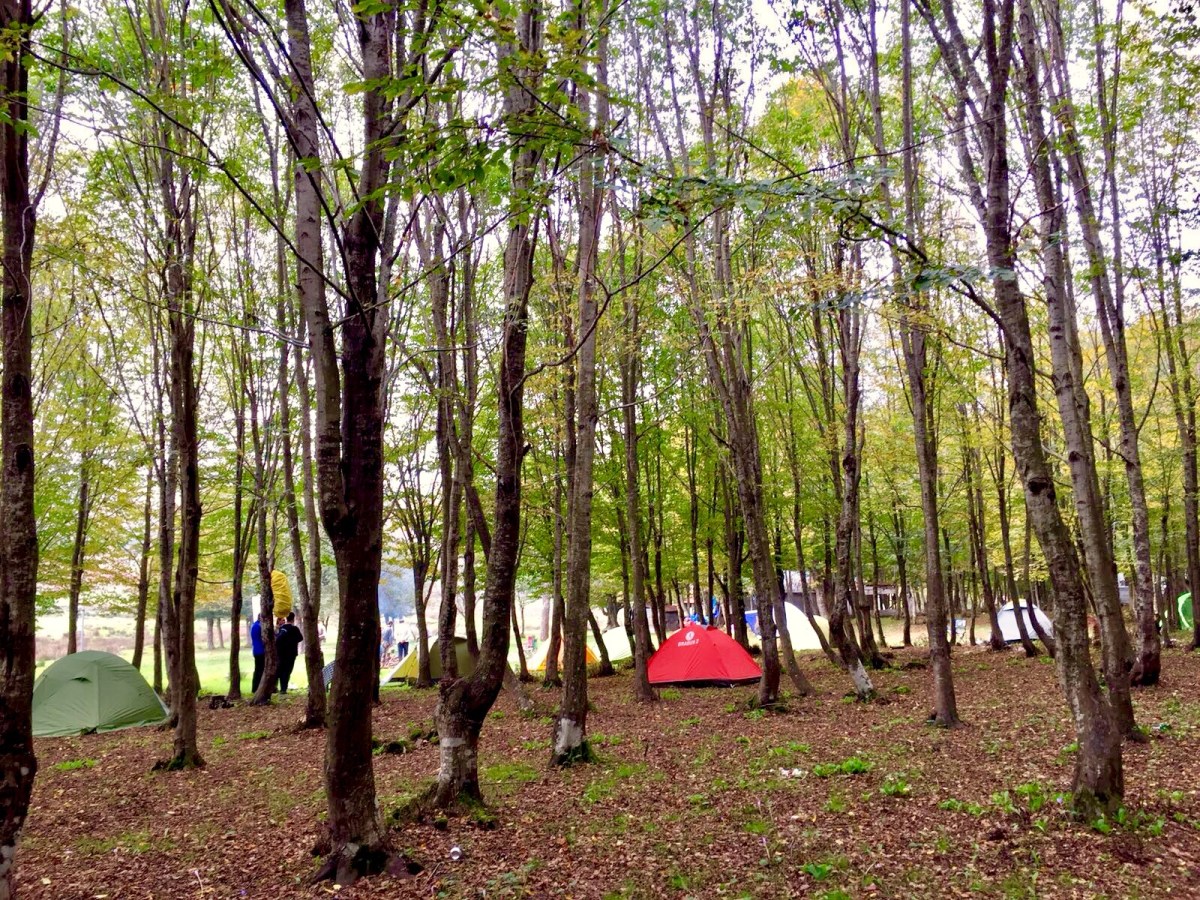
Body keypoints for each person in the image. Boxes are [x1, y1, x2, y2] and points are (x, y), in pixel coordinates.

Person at [276, 612, 303, 694]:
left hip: (281, 653)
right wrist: (292, 642)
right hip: (291, 653)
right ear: (293, 619)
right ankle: (284, 688)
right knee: (287, 671)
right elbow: (300, 638)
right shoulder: (294, 629)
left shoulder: (282, 628)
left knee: (282, 670)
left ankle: (282, 687)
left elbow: (278, 640)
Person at [250, 613, 266, 693]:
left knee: (257, 669)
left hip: (255, 649)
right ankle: (257, 688)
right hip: (261, 650)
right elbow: (264, 638)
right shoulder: (260, 626)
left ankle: (254, 688)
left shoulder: (254, 625)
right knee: (260, 669)